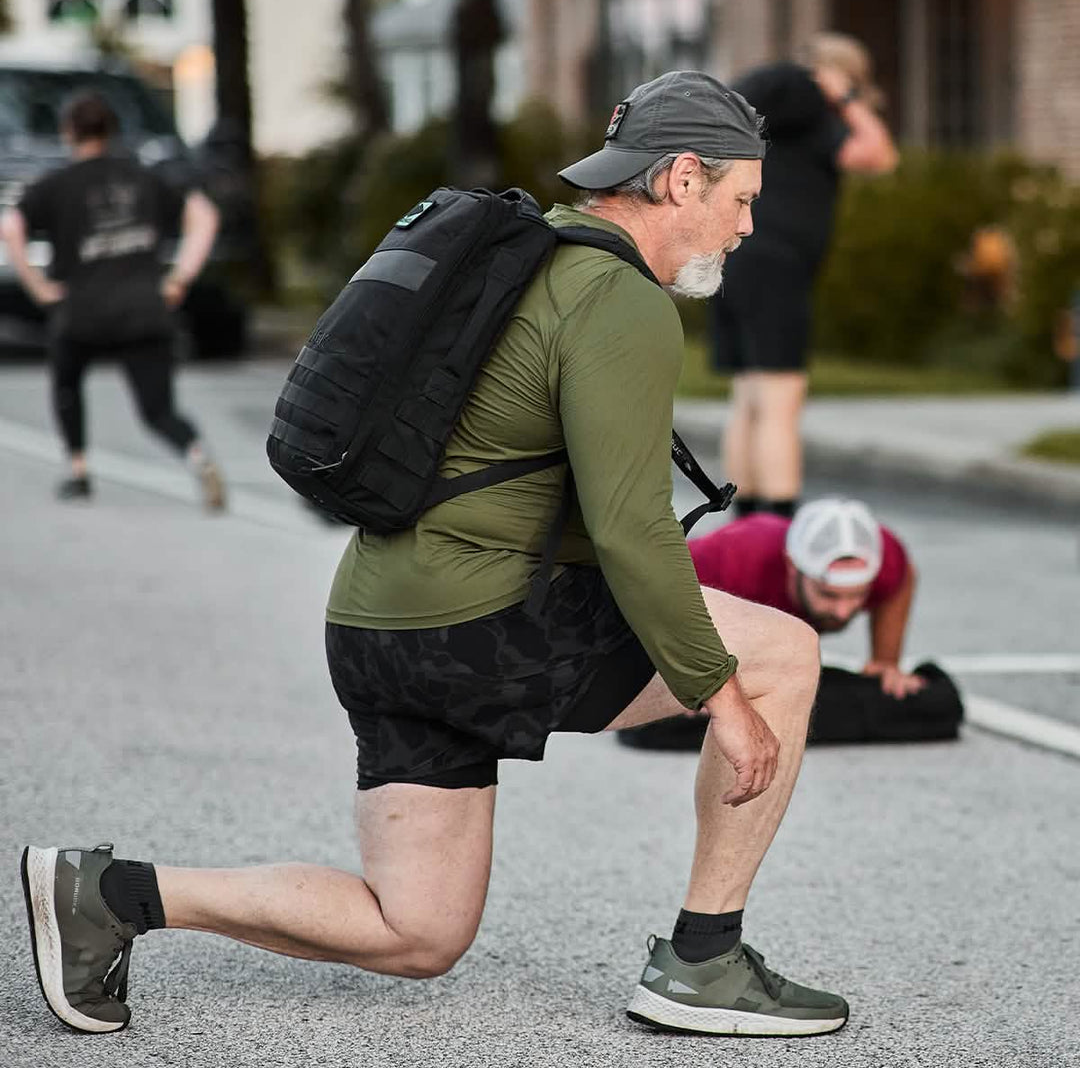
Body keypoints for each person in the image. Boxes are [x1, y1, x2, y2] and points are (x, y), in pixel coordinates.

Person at [22, 72, 851, 1040]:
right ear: (679, 181)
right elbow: (632, 530)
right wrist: (724, 699)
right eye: (742, 198)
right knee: (783, 655)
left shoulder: (521, 261)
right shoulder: (619, 301)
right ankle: (705, 959)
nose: (748, 227)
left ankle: (107, 894)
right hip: (479, 625)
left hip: (379, 623)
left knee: (415, 931)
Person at [0, 91, 226, 508]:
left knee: (67, 382)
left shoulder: (55, 186)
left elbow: (11, 227)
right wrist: (180, 277)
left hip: (80, 310)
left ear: (69, 132)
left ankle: (78, 470)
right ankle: (196, 453)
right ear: (111, 130)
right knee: (157, 409)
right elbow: (204, 215)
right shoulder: (143, 177)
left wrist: (37, 286)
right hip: (144, 308)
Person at [711, 33, 898, 519]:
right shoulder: (818, 112)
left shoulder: (780, 114)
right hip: (777, 267)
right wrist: (844, 97)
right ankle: (775, 528)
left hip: (736, 256)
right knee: (780, 402)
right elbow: (878, 154)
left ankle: (744, 521)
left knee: (749, 397)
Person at [620, 498, 963, 751]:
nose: (844, 612)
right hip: (662, 616)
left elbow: (901, 580)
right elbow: (653, 599)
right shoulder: (736, 557)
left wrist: (886, 662)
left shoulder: (884, 556)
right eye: (829, 595)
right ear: (793, 568)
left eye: (856, 596)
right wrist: (687, 680)